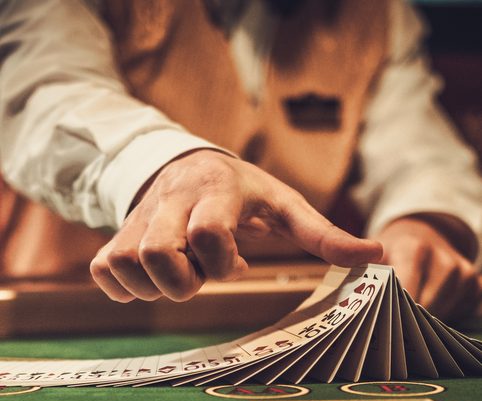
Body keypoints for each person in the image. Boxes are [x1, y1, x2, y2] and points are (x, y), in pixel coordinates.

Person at [0, 0, 481, 321]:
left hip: (287, 331)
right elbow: (42, 92)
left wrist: (421, 222)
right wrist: (171, 166)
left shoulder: (379, 12)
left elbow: (421, 155)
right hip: (67, 315)